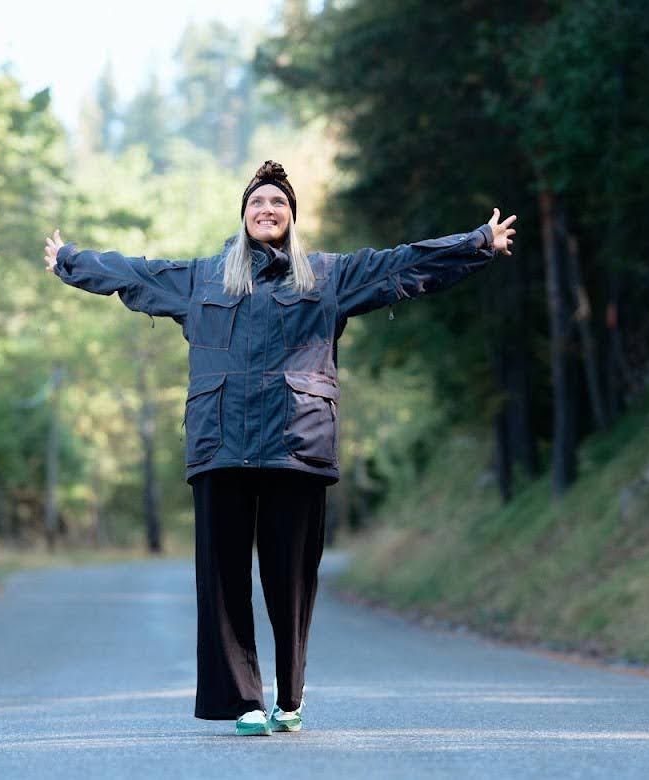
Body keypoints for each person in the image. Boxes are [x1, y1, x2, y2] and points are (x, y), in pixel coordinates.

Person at [43, 160, 516, 736]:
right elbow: (133, 273)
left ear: (292, 217)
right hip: (221, 443)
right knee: (221, 577)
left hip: (297, 443)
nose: (267, 210)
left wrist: (477, 243)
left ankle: (288, 696)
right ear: (243, 218)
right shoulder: (202, 279)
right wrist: (70, 261)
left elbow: (403, 265)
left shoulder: (327, 277)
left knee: (291, 575)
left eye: (278, 203)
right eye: (256, 203)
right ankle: (242, 700)